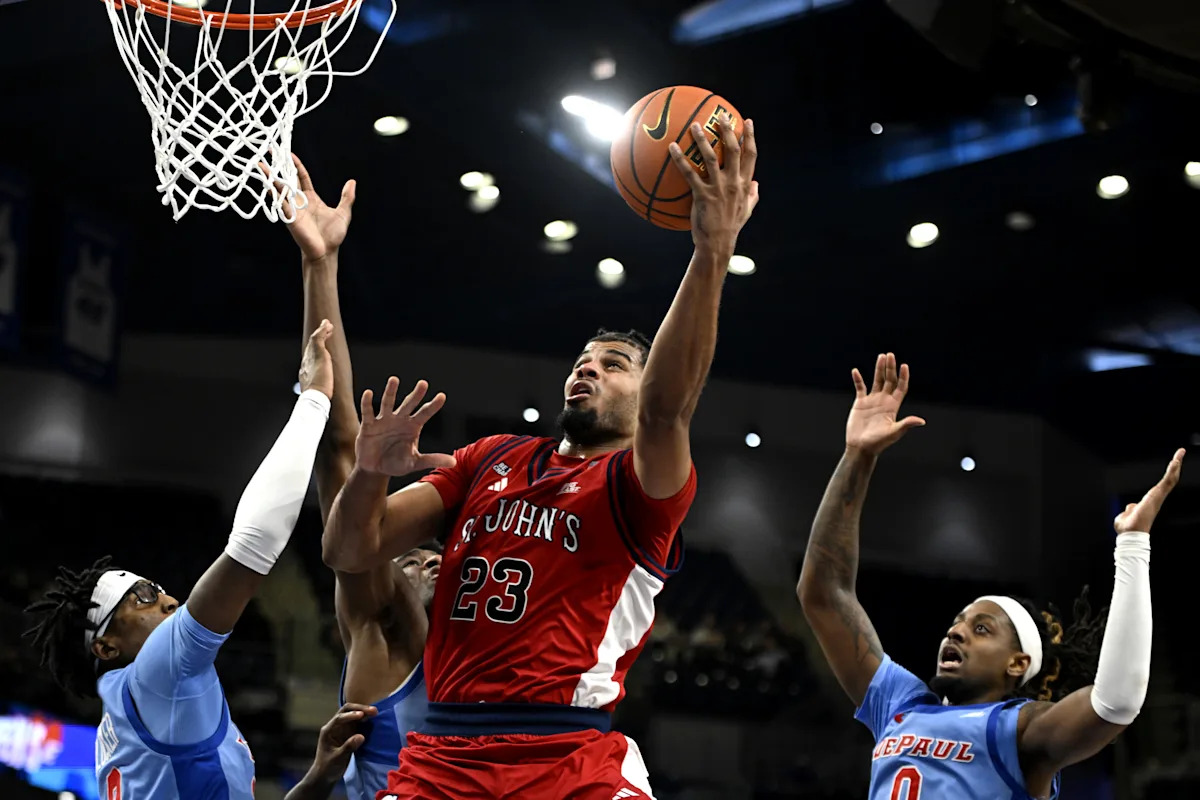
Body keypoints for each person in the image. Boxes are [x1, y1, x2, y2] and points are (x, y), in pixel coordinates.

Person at [322, 115, 759, 799]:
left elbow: (667, 408)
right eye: (582, 362)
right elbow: (352, 550)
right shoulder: (489, 458)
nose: (587, 372)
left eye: (613, 366)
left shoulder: (640, 486)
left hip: (567, 755)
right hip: (444, 753)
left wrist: (712, 248)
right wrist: (372, 473)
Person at [797, 352, 1183, 799]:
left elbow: (1116, 702)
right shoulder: (899, 704)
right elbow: (823, 595)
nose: (957, 631)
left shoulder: (1021, 729)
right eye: (959, 622)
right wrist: (857, 456)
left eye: (981, 629)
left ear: (1017, 664)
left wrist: (1133, 546)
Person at [22, 320, 338, 800]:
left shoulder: (137, 707)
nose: (167, 600)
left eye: (157, 587)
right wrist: (315, 399)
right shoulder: (156, 675)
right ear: (106, 647)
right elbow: (255, 542)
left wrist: (316, 780)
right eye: (142, 598)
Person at [280, 154, 439, 800]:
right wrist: (321, 266)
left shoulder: (491, 659)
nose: (427, 563)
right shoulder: (383, 626)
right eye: (412, 557)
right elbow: (339, 449)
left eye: (436, 557)